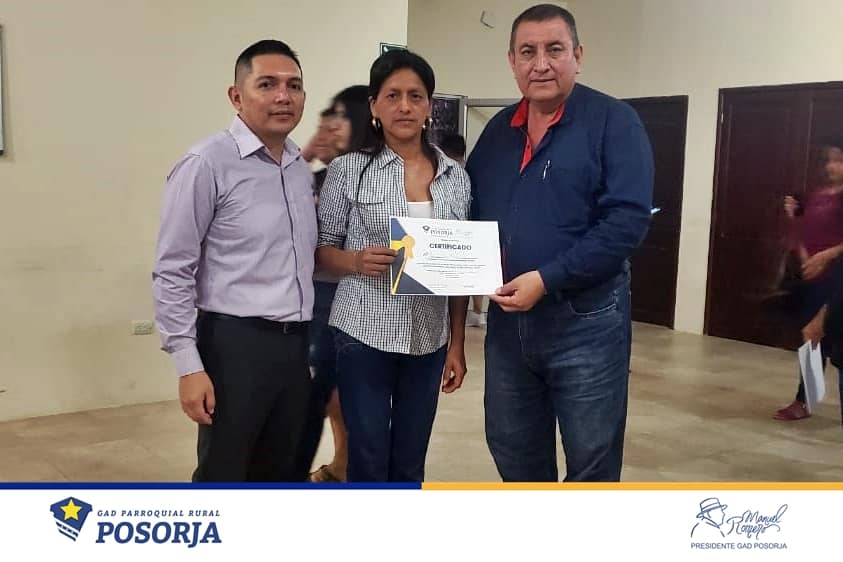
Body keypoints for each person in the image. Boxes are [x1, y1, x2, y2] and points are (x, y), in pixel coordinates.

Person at [466, 4, 653, 482]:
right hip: (509, 326)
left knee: (591, 459)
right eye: (528, 52)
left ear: (578, 56)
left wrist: (548, 279)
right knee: (513, 449)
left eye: (554, 49)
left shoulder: (615, 122)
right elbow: (471, 213)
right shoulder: (497, 132)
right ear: (512, 60)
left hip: (586, 324)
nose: (541, 64)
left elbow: (626, 223)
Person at [152, 39, 316, 482]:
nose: (283, 96)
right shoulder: (206, 163)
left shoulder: (297, 167)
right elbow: (173, 269)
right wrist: (188, 366)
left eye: (294, 86)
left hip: (295, 345)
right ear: (237, 96)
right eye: (267, 84)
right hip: (234, 346)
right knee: (225, 474)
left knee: (282, 471)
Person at [316, 49, 472, 482]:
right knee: (367, 453)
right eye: (393, 95)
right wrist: (354, 259)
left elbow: (460, 268)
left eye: (415, 96)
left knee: (410, 455)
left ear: (428, 106)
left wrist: (457, 342)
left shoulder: (455, 177)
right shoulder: (349, 170)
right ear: (374, 106)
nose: (405, 106)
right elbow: (321, 250)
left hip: (429, 337)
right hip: (363, 332)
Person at [297, 85, 374, 483]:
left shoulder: (373, 178)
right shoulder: (317, 176)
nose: (328, 124)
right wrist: (307, 154)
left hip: (356, 298)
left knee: (342, 392)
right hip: (318, 297)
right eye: (327, 114)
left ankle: (346, 464)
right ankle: (340, 463)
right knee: (323, 393)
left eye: (340, 115)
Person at [773, 143, 843, 421]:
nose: (831, 166)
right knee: (811, 339)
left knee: (830, 339)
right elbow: (801, 233)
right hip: (813, 279)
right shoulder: (816, 195)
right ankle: (806, 399)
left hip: (838, 279)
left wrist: (827, 255)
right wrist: (793, 217)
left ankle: (805, 399)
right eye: (829, 160)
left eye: (839, 160)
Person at [437, 132, 487, 328]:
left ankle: (467, 314)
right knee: (472, 275)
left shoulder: (451, 173)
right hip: (474, 230)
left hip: (456, 234)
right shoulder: (469, 169)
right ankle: (478, 311)